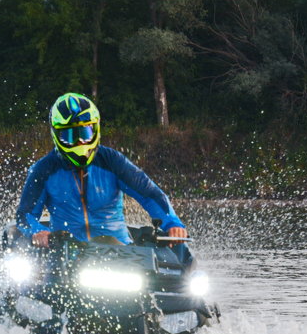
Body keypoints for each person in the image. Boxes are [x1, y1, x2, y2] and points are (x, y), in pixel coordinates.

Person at [16, 93, 189, 247]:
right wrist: (38, 231)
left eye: (84, 134)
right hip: (65, 255)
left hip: (120, 253)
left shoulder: (113, 161)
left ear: (96, 130)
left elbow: (150, 195)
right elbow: (25, 215)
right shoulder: (43, 169)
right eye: (69, 136)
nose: (79, 143)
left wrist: (172, 224)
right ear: (56, 135)